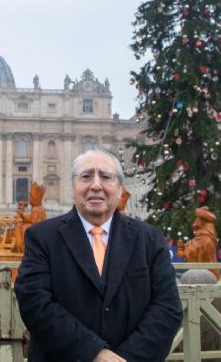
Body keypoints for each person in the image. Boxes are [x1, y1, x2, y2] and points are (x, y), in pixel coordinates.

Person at [15, 148, 183, 362]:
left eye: (105, 176)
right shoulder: (42, 237)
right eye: (86, 177)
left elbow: (168, 308)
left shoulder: (150, 239)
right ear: (74, 187)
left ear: (120, 189)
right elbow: (35, 304)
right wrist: (93, 353)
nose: (96, 185)